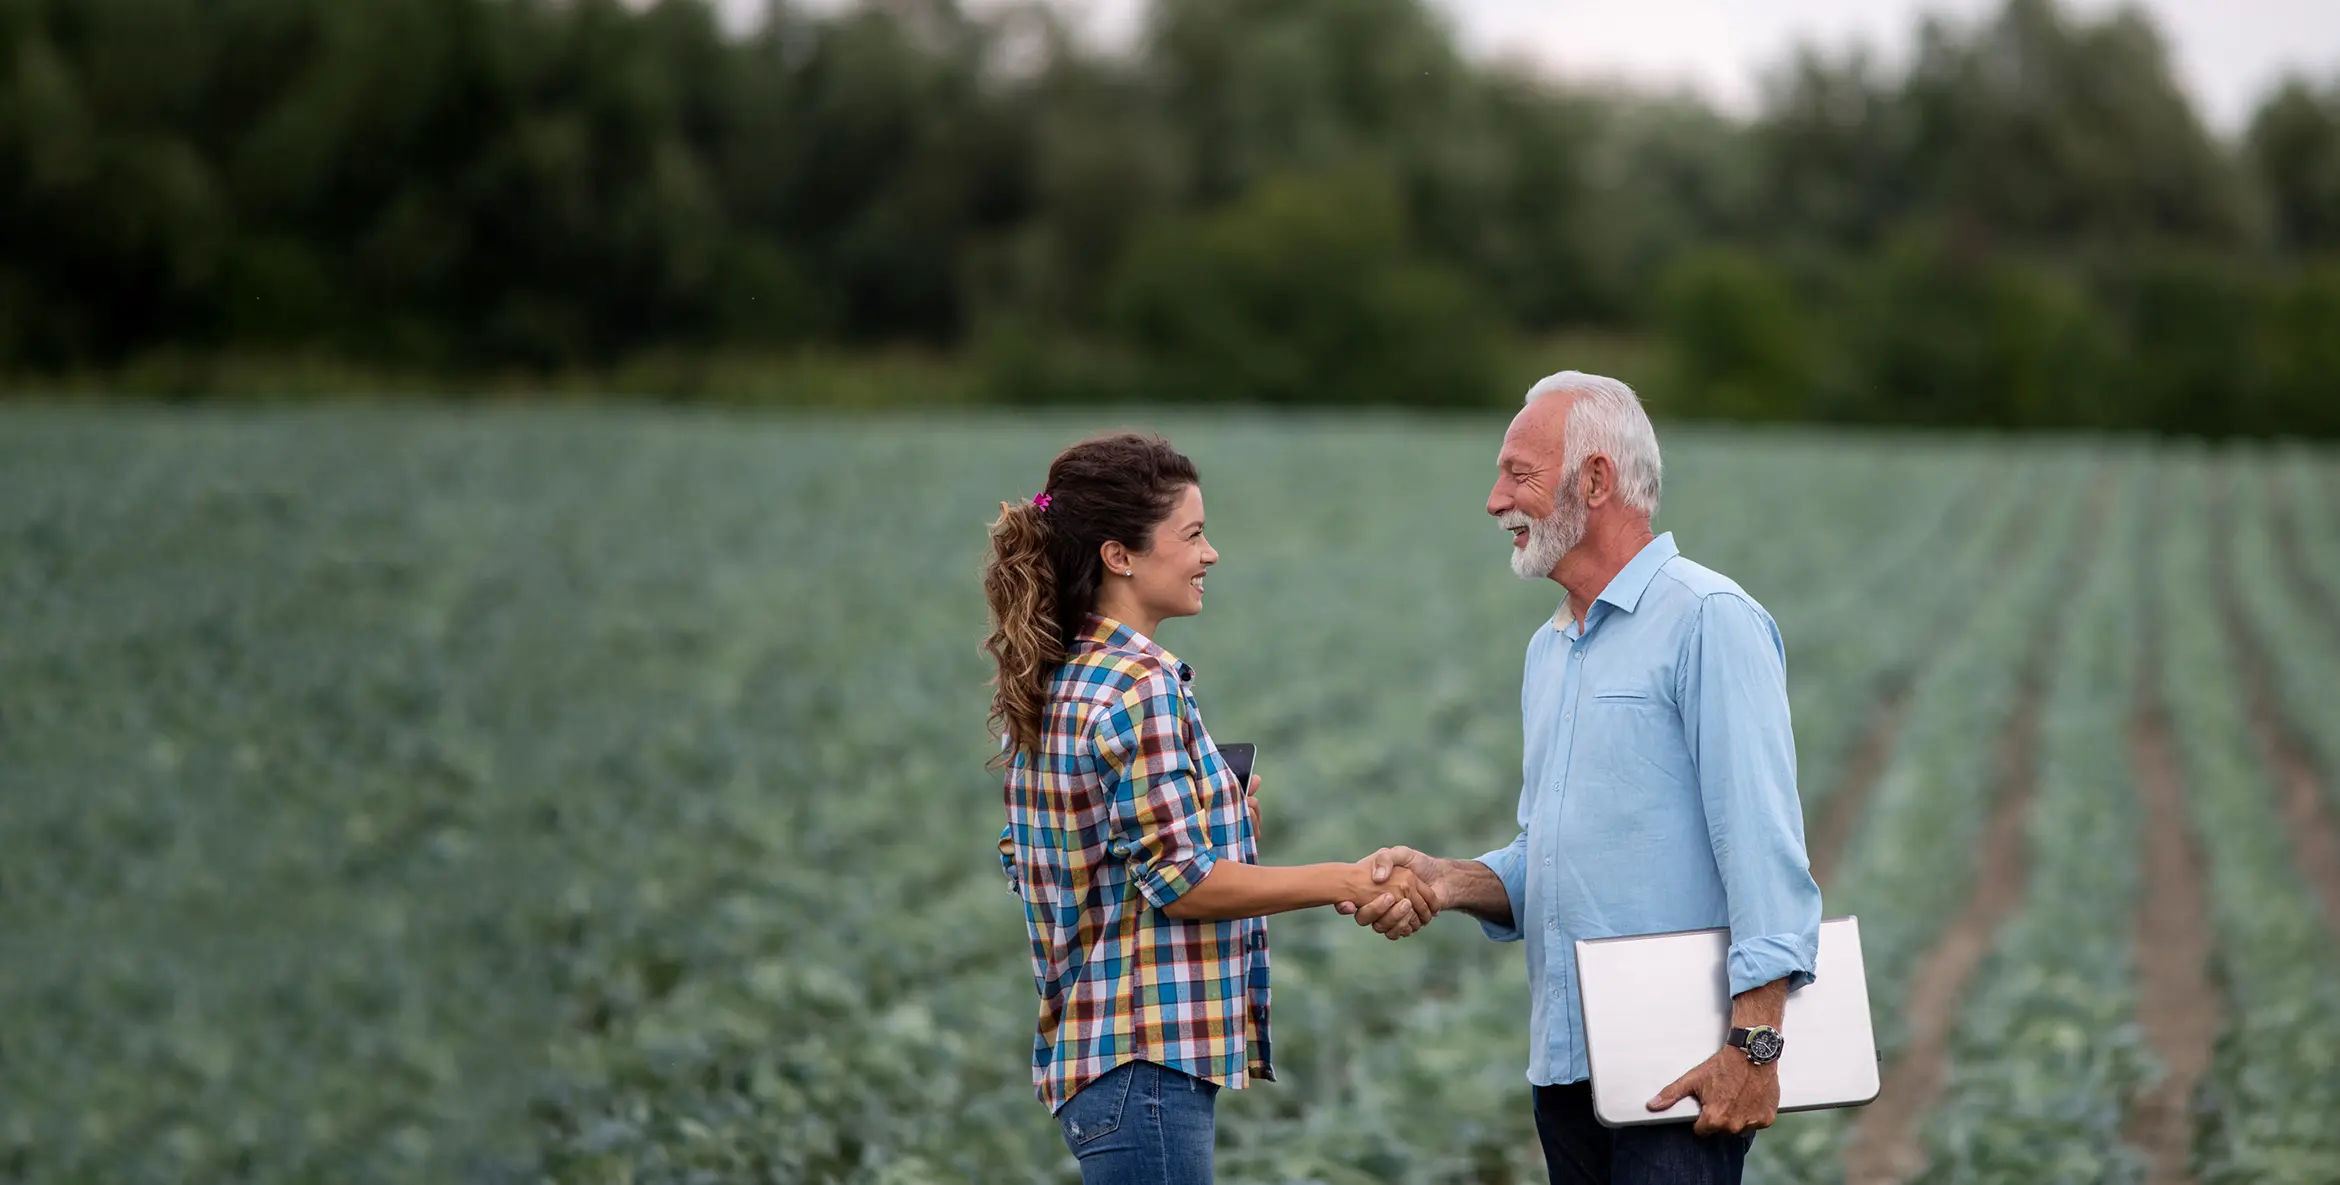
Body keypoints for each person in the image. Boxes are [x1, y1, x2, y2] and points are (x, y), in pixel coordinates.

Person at [1341, 373, 1823, 1185]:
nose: (1496, 500)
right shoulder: (1550, 649)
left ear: (1595, 480)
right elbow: (1552, 859)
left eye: (1518, 474)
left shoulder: (1708, 618)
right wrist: (1449, 880)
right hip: (1566, 1068)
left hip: (1684, 1068)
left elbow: (1763, 844)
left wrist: (1755, 1046)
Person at [983, 431, 1436, 1185]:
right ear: (1119, 555)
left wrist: (1226, 825)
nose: (1210, 553)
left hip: (1097, 1058)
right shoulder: (1140, 684)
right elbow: (1181, 884)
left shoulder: (1060, 676)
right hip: (1145, 1059)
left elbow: (1079, 859)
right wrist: (1347, 881)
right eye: (1192, 534)